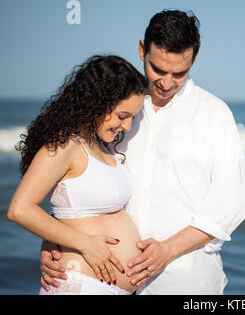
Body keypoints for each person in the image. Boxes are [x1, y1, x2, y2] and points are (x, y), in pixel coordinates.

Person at [41, 9, 245, 295]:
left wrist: (166, 250)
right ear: (142, 50)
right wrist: (54, 241)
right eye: (158, 69)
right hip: (108, 282)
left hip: (184, 283)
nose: (166, 82)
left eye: (179, 73)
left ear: (194, 60)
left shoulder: (214, 114)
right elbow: (79, 180)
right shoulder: (115, 110)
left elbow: (231, 203)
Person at [8, 55, 147, 295]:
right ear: (99, 103)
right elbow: (20, 209)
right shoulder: (65, 145)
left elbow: (71, 208)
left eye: (132, 117)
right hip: (79, 285)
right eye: (123, 116)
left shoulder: (102, 147)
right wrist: (86, 244)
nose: (127, 126)